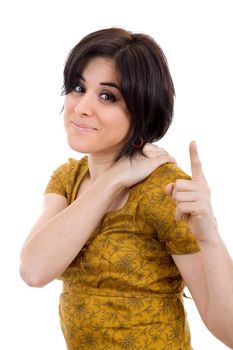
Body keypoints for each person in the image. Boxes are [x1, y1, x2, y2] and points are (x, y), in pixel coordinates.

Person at [20, 27, 233, 349]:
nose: (81, 107)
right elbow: (34, 271)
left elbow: (228, 331)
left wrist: (209, 235)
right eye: (78, 87)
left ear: (143, 111)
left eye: (107, 96)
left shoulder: (164, 191)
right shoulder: (68, 178)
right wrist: (114, 179)